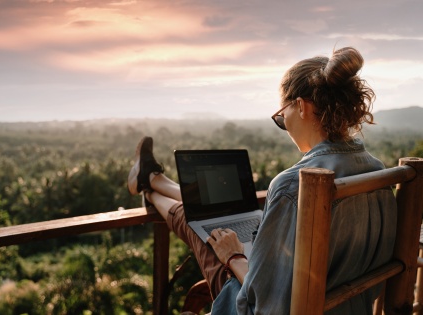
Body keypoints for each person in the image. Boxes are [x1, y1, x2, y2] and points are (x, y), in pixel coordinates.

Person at [127, 47, 397, 314]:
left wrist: (234, 256)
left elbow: (267, 305)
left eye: (282, 117)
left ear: (301, 107)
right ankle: (153, 182)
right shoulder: (377, 172)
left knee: (202, 224)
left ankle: (150, 187)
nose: (284, 125)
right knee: (208, 218)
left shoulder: (294, 185)